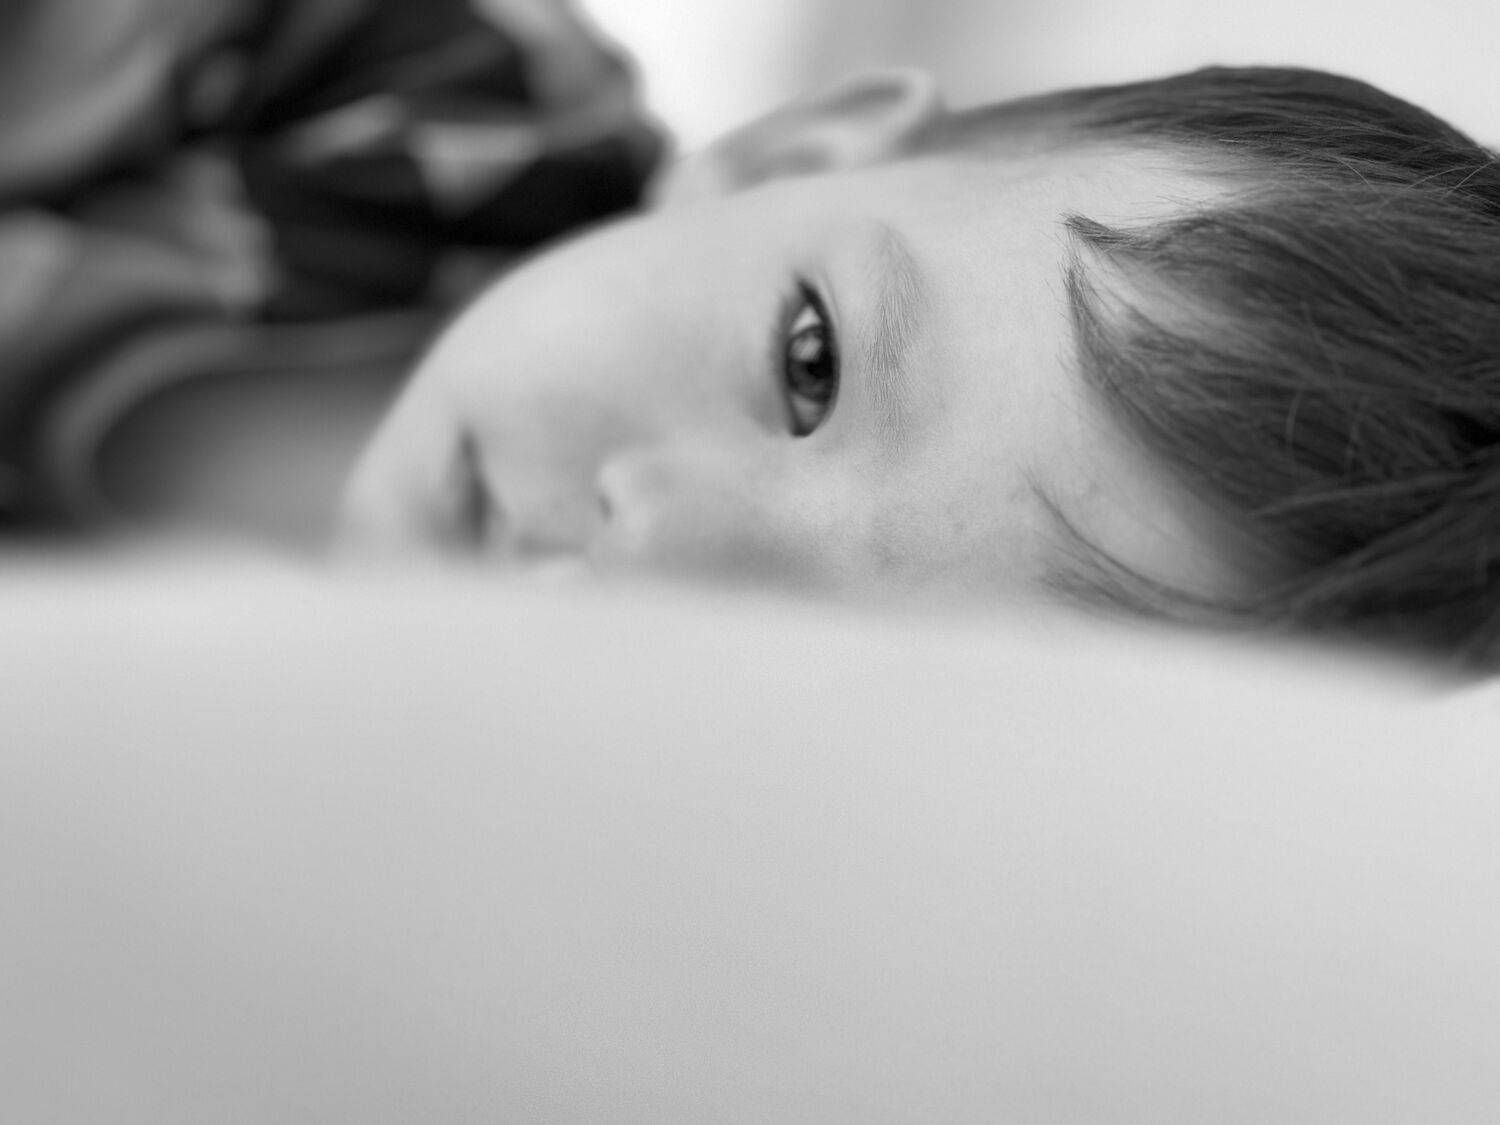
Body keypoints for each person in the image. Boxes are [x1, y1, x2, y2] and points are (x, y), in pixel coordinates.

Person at [4, 3, 1498, 670]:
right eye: (810, 366)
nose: (656, 546)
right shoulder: (424, 95)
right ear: (794, 157)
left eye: (828, 661)